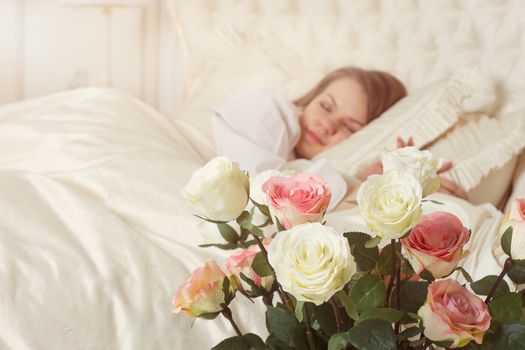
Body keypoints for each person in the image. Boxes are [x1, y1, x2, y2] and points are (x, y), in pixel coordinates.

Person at [212, 66, 467, 211]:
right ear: (311, 97)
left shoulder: (297, 164)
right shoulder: (269, 111)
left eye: (348, 126)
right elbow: (261, 204)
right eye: (326, 106)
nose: (327, 125)